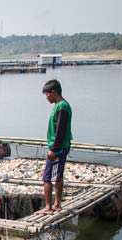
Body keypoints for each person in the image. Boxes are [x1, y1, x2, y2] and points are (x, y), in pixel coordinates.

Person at [39, 79, 72, 214]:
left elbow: (60, 130)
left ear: (53, 92)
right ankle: (56, 204)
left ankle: (50, 206)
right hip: (60, 147)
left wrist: (54, 149)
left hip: (58, 148)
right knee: (57, 175)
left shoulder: (62, 107)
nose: (46, 97)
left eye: (47, 94)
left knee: (48, 177)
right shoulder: (59, 105)